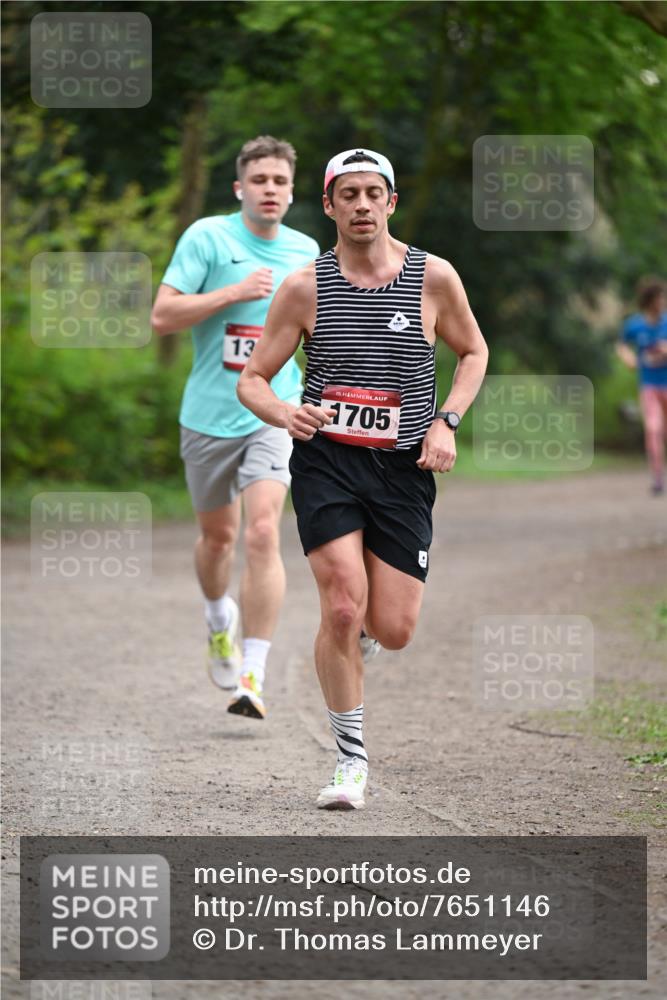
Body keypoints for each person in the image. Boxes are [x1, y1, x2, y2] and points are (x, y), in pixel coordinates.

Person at [238, 148, 488, 808]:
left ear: (390, 202)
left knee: (394, 626)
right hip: (327, 461)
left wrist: (446, 421)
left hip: (403, 467)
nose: (360, 205)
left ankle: (364, 640)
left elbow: (472, 351)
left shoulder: (433, 277)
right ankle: (350, 761)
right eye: (346, 194)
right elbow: (253, 379)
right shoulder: (304, 287)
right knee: (341, 603)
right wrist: (286, 412)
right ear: (328, 205)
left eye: (372, 193)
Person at [151, 136, 319, 719]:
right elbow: (162, 315)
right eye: (260, 180)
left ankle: (253, 673)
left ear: (293, 192)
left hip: (274, 411)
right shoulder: (208, 238)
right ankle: (218, 617)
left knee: (262, 532)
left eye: (280, 181)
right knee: (219, 539)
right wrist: (233, 293)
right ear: (240, 188)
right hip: (206, 416)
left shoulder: (307, 250)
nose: (270, 190)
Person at [616, 277, 667, 495]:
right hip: (648, 385)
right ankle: (657, 478)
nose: (663, 301)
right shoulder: (634, 325)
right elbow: (621, 345)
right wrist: (628, 358)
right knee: (653, 429)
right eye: (660, 297)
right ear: (650, 300)